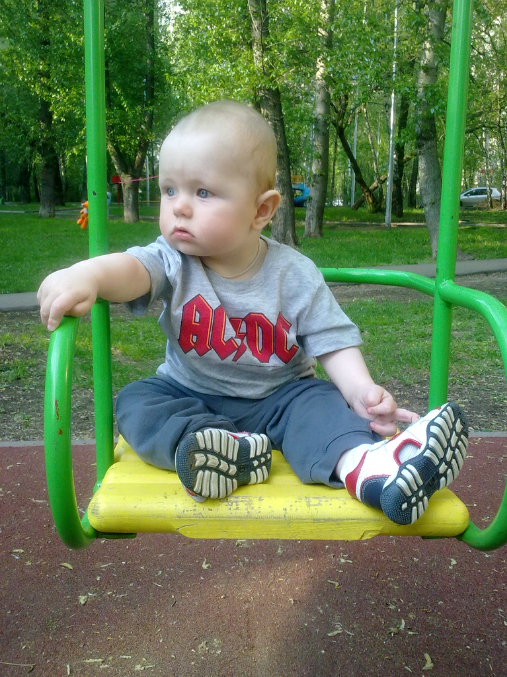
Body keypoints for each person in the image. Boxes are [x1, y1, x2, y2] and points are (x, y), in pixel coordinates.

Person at [38, 100, 468, 526]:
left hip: (281, 398)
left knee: (322, 406)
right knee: (137, 402)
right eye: (170, 190)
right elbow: (134, 269)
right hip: (190, 393)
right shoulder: (172, 258)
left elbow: (331, 339)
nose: (179, 207)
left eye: (202, 192)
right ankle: (219, 449)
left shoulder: (294, 274)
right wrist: (89, 275)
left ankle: (372, 469)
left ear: (261, 210)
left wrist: (360, 390)